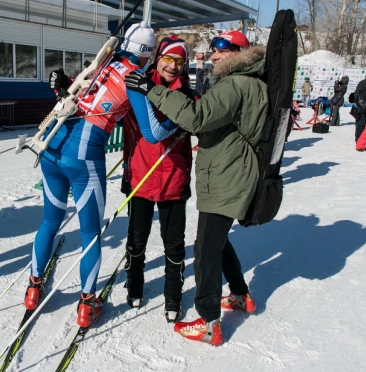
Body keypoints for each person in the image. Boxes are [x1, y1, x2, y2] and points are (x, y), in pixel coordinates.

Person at [24, 22, 179, 328]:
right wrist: (178, 123)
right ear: (148, 56)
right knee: (90, 233)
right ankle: (87, 304)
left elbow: (77, 88)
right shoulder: (136, 76)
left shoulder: (105, 60)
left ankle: (33, 287)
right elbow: (152, 133)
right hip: (82, 158)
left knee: (49, 221)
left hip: (51, 146)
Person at [125, 30, 264, 346]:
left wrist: (153, 92)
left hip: (217, 176)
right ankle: (241, 295)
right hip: (154, 177)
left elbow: (194, 118)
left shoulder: (233, 85)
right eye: (168, 59)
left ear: (240, 54)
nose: (213, 57)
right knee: (214, 242)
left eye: (221, 51)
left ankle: (209, 322)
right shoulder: (244, 82)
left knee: (204, 249)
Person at [121, 36, 195, 323]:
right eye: (168, 59)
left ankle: (173, 297)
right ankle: (134, 286)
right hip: (140, 176)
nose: (173, 66)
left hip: (173, 179)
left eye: (179, 61)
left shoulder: (187, 95)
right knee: (136, 239)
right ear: (157, 58)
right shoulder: (137, 84)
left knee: (173, 243)